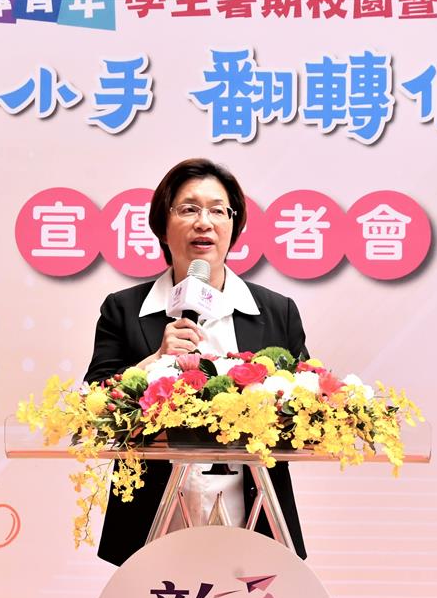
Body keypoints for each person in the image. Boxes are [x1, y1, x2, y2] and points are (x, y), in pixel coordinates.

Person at [84, 158, 309, 566]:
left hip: (256, 516)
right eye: (188, 209)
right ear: (162, 226)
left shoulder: (277, 312)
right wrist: (155, 361)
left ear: (233, 226)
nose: (204, 222)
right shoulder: (124, 310)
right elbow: (94, 403)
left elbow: (307, 409)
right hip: (152, 516)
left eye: (218, 211)